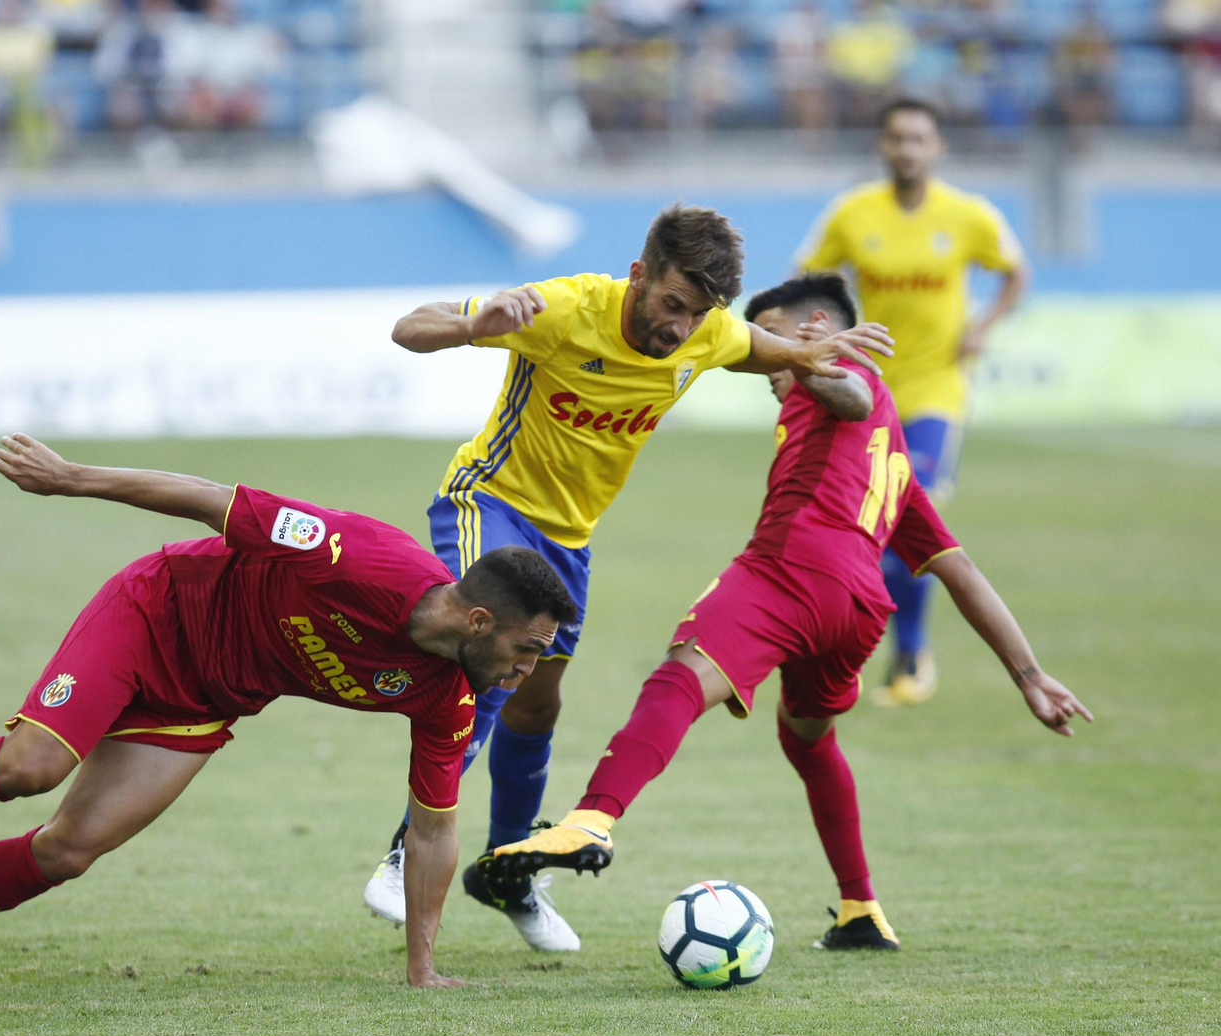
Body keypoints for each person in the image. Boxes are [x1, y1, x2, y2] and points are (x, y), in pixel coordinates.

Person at [0, 433, 578, 994]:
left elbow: (431, 830)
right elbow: (213, 501)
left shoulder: (453, 697)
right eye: (527, 648)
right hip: (152, 615)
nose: (528, 668)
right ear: (479, 621)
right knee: (27, 769)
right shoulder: (353, 554)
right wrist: (70, 479)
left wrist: (421, 970)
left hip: (204, 701)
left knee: (69, 852)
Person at [482, 274, 1091, 950]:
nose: (764, 360)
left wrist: (815, 362)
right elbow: (960, 569)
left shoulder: (834, 378)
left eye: (773, 339)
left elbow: (852, 394)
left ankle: (590, 819)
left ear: (817, 328)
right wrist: (1029, 675)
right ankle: (861, 908)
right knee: (806, 738)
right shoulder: (888, 459)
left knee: (679, 680)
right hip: (859, 611)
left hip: (792, 570)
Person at [361, 203, 896, 952]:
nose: (682, 326)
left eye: (699, 312)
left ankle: (512, 869)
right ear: (639, 275)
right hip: (490, 501)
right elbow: (410, 326)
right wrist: (470, 326)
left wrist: (817, 356)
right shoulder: (566, 307)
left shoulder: (706, 333)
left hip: (569, 542)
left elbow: (784, 364)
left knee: (535, 707)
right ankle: (403, 852)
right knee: (488, 666)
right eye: (673, 303)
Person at [797, 97, 1031, 707]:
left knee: (906, 521)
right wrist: (830, 327)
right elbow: (809, 278)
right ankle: (871, 653)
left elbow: (1016, 270)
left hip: (935, 391)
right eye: (897, 138)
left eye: (919, 139)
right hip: (866, 392)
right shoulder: (852, 214)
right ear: (882, 145)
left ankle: (911, 656)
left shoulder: (969, 215)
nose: (907, 149)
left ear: (938, 148)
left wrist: (982, 326)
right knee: (864, 530)